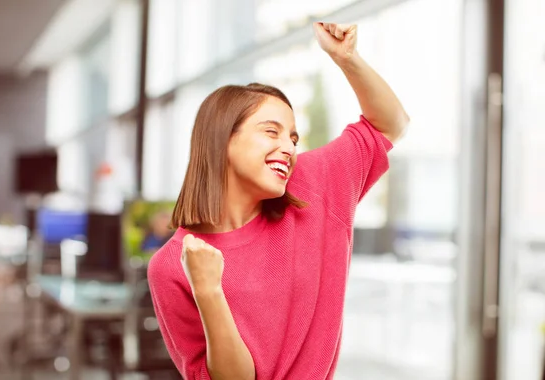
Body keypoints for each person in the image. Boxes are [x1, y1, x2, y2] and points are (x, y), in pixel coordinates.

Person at [147, 22, 409, 380]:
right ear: (222, 140)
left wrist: (347, 59)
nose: (288, 147)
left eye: (293, 137)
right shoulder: (171, 267)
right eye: (271, 131)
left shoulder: (311, 185)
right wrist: (208, 290)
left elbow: (390, 124)